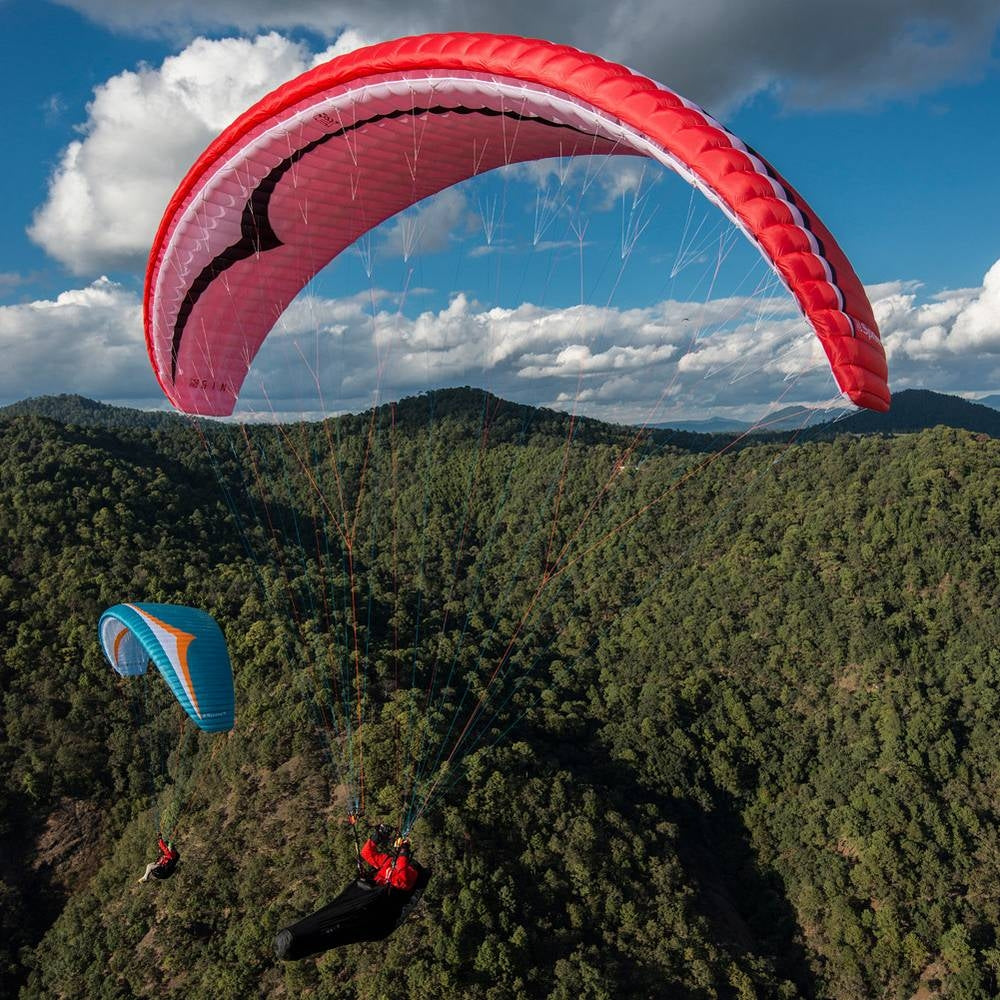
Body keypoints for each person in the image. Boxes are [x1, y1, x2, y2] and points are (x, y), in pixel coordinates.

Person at [359, 825, 419, 891]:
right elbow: (402, 879)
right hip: (409, 869)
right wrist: (403, 852)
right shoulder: (390, 890)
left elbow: (366, 853)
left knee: (367, 853)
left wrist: (378, 835)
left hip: (388, 866)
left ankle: (382, 833)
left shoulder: (378, 880)